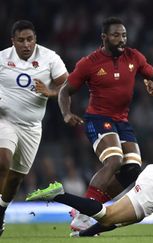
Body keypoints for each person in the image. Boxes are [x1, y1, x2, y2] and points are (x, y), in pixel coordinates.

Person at [57, 17, 153, 231]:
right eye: (116, 35)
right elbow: (64, 90)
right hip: (98, 119)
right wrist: (67, 113)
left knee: (133, 170)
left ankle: (86, 207)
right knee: (114, 160)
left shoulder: (134, 56)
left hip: (122, 121)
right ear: (104, 37)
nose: (121, 39)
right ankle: (84, 215)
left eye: (124, 34)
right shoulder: (90, 63)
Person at [0, 20, 68, 236]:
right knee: (2, 161)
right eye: (21, 40)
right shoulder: (2, 58)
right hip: (5, 120)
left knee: (16, 178)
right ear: (13, 42)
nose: (26, 44)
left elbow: (68, 85)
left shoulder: (50, 58)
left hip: (31, 127)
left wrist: (50, 92)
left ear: (35, 39)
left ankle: (1, 210)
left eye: (29, 39)